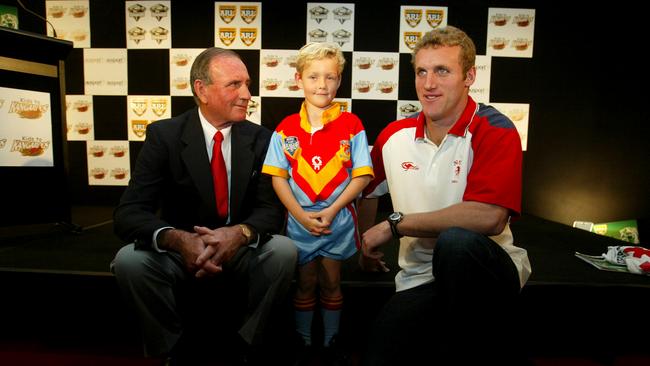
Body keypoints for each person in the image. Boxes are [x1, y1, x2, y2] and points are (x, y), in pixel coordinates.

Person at [111, 47, 297, 365]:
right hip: (178, 252)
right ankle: (174, 349)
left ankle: (245, 346)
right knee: (128, 261)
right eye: (234, 85)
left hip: (237, 250)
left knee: (283, 252)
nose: (247, 94)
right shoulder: (164, 136)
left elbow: (270, 210)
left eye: (247, 84)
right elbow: (128, 213)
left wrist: (238, 234)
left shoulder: (264, 139)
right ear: (202, 90)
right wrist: (178, 239)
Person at [358, 26, 532, 365]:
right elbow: (369, 190)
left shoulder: (495, 128)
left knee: (457, 243)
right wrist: (365, 247)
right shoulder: (394, 135)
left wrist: (394, 225)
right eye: (421, 71)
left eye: (442, 71)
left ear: (469, 76)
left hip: (486, 273)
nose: (428, 84)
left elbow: (490, 217)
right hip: (420, 277)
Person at [261, 42, 373, 363]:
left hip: (337, 222)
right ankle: (305, 341)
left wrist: (332, 210)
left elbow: (362, 176)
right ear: (299, 80)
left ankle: (330, 342)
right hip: (299, 222)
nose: (321, 85)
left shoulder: (352, 125)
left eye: (330, 77)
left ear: (339, 82)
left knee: (332, 281)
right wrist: (300, 215)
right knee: (305, 282)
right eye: (313, 77)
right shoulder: (286, 128)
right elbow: (278, 178)